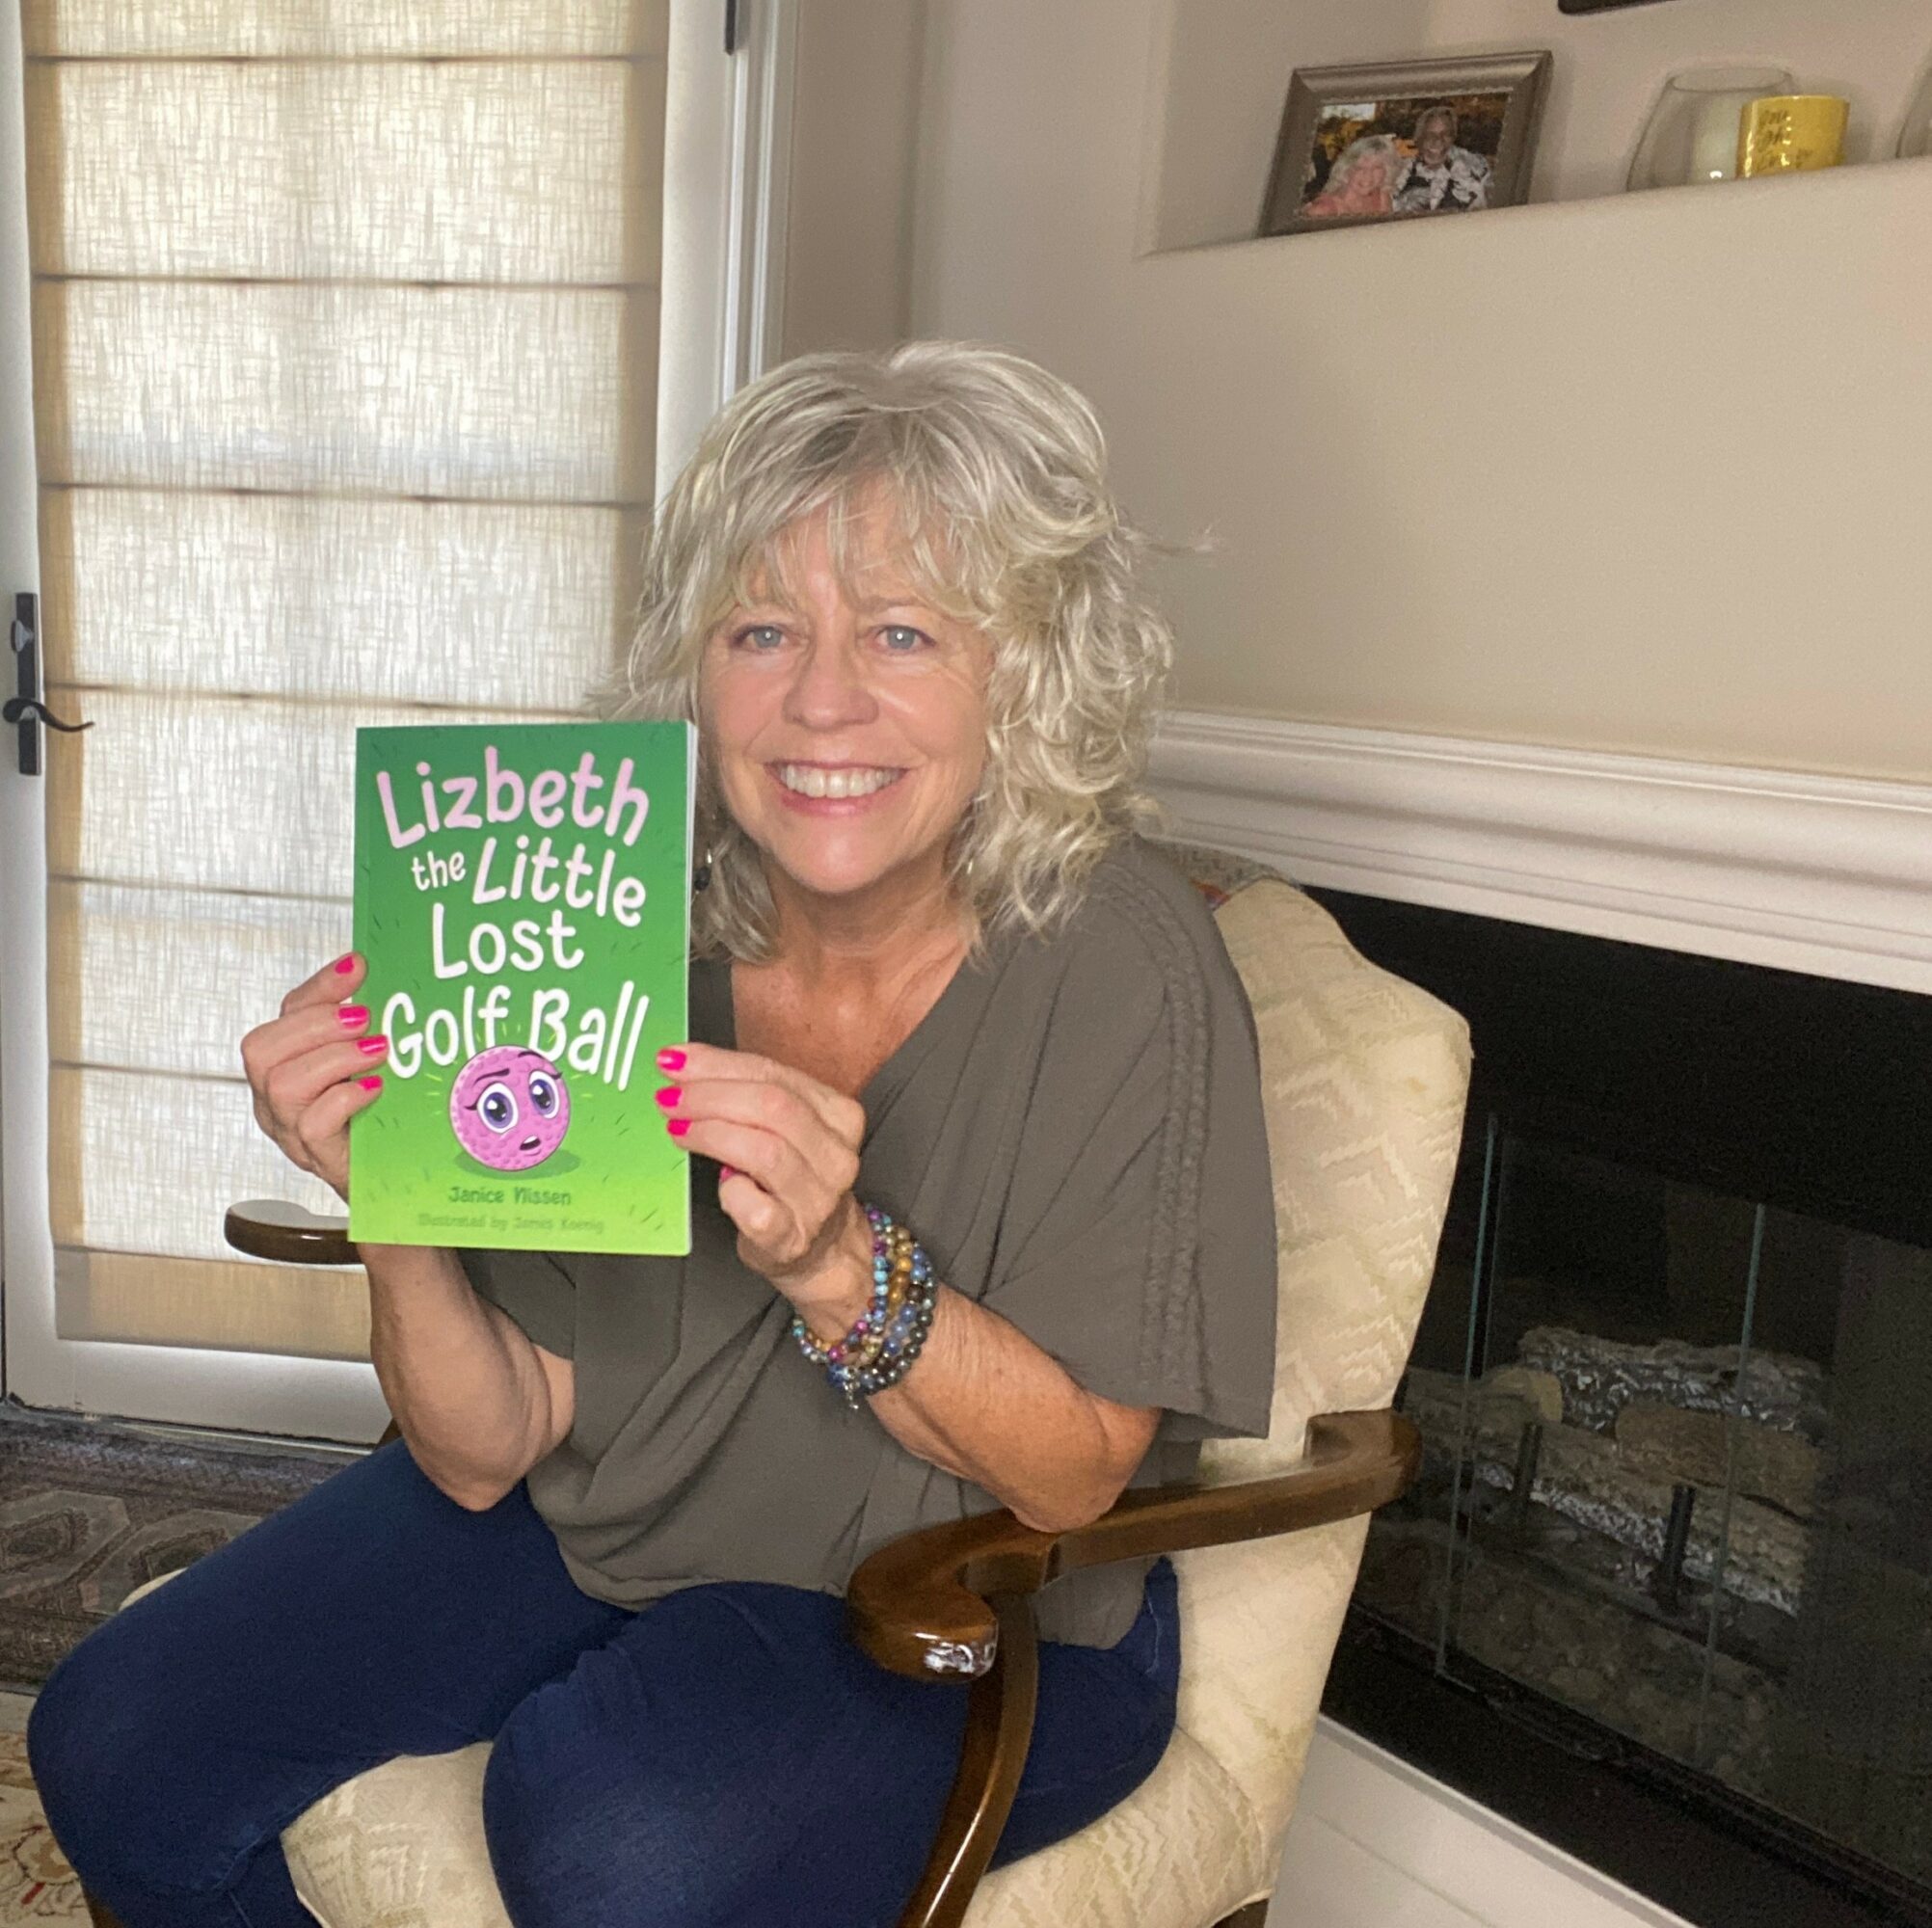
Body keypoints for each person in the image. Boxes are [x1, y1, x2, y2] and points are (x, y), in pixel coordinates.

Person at [28, 344, 1277, 1928]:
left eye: (901, 632)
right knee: (118, 1737)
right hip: (603, 1520)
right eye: (762, 631)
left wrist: (835, 1266)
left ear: (1020, 675)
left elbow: (1075, 1475)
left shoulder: (1119, 958)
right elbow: (488, 1447)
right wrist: (394, 1194)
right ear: (697, 671)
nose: (820, 700)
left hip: (963, 1606)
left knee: (618, 1837)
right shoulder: (621, 922)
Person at [1391, 103, 1494, 213]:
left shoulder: (1476, 170)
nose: (1438, 140)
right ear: (1419, 139)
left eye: (1446, 134)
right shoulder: (1400, 172)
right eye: (1430, 135)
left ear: (1453, 137)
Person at [1301, 132, 1401, 219]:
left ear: (1387, 171)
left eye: (1377, 168)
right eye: (1360, 168)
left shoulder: (1381, 197)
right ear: (1346, 170)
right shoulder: (1325, 209)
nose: (1368, 175)